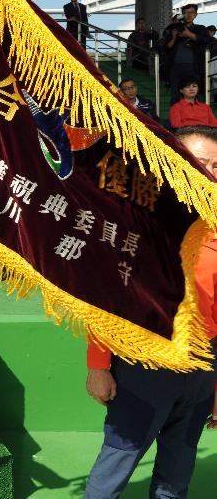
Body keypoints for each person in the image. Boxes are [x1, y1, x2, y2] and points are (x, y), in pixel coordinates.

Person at [83, 125, 217, 498]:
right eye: (198, 162)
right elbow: (105, 297)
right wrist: (98, 365)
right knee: (119, 459)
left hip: (201, 368)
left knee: (178, 466)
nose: (208, 172)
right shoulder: (136, 219)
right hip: (145, 365)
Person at [165, 3, 210, 104]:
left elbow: (206, 41)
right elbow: (166, 47)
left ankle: (194, 119)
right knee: (175, 95)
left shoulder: (200, 29)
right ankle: (175, 119)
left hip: (194, 67)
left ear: (196, 15)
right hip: (175, 67)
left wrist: (188, 34)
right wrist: (173, 37)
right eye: (186, 13)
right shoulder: (174, 28)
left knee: (193, 95)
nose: (188, 15)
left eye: (191, 13)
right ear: (182, 14)